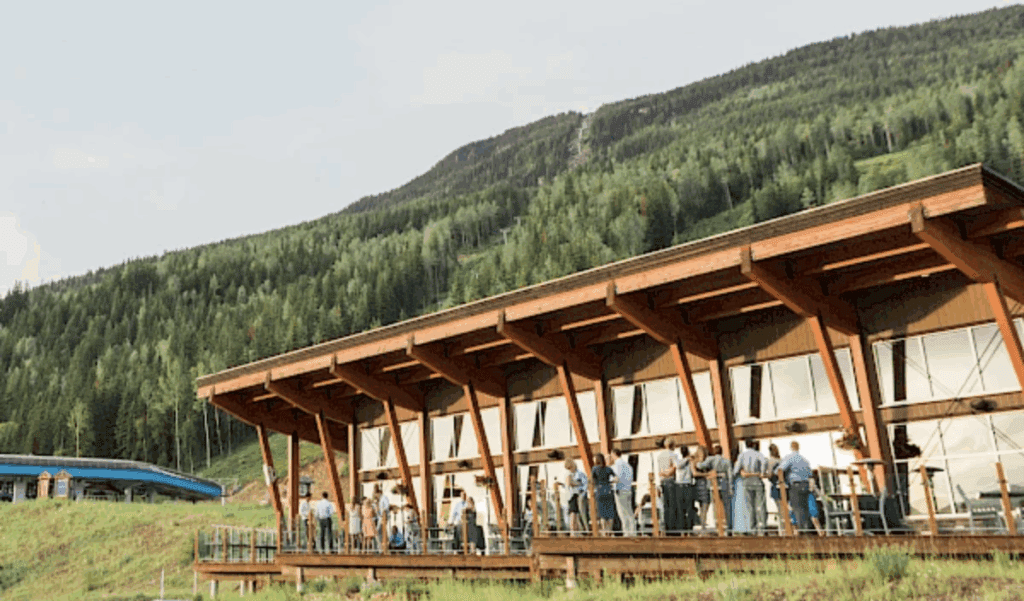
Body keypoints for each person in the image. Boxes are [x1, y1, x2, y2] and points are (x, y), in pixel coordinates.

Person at [734, 439, 769, 534]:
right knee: (760, 505)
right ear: (753, 445)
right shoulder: (758, 454)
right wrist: (762, 472)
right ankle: (762, 528)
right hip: (757, 480)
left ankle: (752, 529)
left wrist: (738, 473)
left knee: (749, 506)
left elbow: (736, 469)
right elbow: (764, 462)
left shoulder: (742, 455)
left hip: (747, 482)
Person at [778, 440, 814, 533]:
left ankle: (802, 531)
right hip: (805, 484)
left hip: (795, 484)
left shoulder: (790, 457)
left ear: (791, 447)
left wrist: (782, 480)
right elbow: (810, 473)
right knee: (805, 508)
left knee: (797, 508)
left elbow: (780, 469)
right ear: (799, 447)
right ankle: (808, 530)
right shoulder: (804, 459)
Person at [696, 445, 733, 531]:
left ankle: (717, 524)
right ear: (721, 452)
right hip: (724, 483)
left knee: (715, 506)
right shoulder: (726, 461)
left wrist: (696, 461)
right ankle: (729, 526)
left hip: (713, 484)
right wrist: (730, 487)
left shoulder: (710, 459)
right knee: (726, 506)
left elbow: (700, 466)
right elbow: (730, 475)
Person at [610, 449, 637, 536]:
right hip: (628, 489)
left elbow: (617, 478)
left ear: (614, 454)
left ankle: (627, 532)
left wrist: (609, 481)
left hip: (620, 490)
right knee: (629, 511)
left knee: (622, 512)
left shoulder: (617, 464)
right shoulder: (627, 465)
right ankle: (633, 531)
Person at [656, 439, 680, 534]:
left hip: (662, 481)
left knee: (666, 505)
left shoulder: (660, 456)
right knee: (673, 505)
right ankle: (673, 529)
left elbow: (659, 471)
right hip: (670, 480)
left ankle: (667, 528)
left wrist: (663, 473)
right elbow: (674, 468)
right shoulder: (673, 454)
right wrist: (667, 473)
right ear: (672, 445)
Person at [591, 453, 616, 535]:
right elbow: (616, 478)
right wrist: (610, 482)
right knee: (610, 512)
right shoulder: (608, 469)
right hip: (608, 490)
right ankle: (609, 531)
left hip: (599, 491)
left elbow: (591, 480)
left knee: (602, 513)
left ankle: (604, 531)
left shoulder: (594, 469)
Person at [564, 458, 589, 535]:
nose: (570, 470)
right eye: (568, 468)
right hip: (572, 496)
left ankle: (585, 530)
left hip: (580, 495)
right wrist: (577, 483)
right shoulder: (568, 474)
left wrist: (581, 490)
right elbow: (568, 484)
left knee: (582, 514)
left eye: (570, 467)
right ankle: (575, 533)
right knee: (573, 515)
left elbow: (585, 485)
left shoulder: (580, 474)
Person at [690, 446, 712, 533]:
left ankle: (703, 524)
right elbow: (695, 473)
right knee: (705, 505)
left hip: (698, 485)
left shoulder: (694, 462)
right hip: (704, 484)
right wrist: (706, 474)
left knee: (702, 506)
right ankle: (703, 525)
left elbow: (694, 473)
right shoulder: (704, 462)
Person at [675, 445, 696, 534]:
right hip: (682, 486)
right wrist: (688, 458)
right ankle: (683, 531)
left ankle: (689, 530)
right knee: (681, 510)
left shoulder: (690, 461)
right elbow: (678, 466)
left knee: (689, 509)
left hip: (686, 486)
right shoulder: (680, 461)